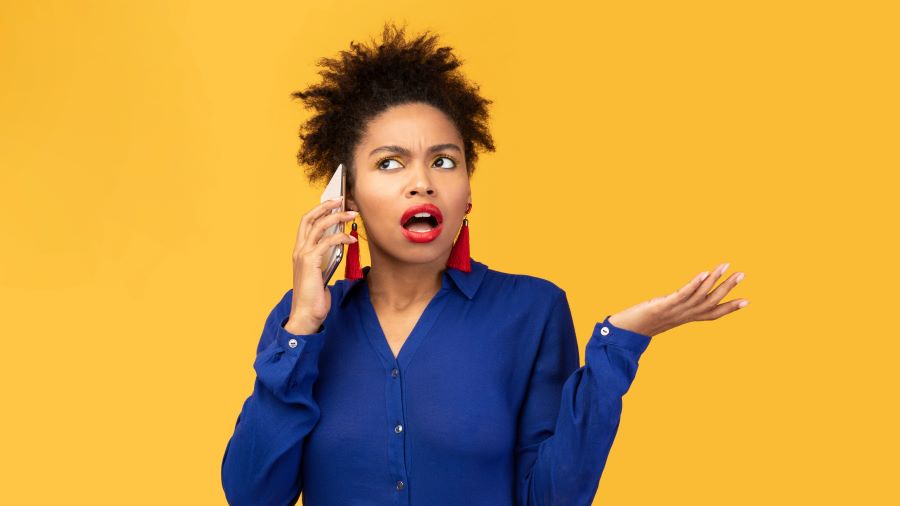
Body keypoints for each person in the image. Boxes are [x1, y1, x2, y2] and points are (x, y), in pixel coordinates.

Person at [221, 22, 749, 506]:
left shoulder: (533, 311)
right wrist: (303, 328)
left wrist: (619, 347)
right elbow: (252, 495)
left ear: (467, 194)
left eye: (444, 161)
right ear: (347, 197)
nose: (422, 180)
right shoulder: (301, 324)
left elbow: (551, 499)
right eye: (389, 163)